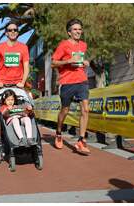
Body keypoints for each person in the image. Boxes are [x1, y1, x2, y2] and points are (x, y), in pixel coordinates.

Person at [51, 18, 90, 154]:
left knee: (85, 109)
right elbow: (53, 63)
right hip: (67, 82)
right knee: (65, 110)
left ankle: (81, 140)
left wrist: (85, 62)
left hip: (82, 81)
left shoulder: (83, 45)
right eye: (75, 29)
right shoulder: (63, 45)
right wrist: (68, 61)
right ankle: (59, 132)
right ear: (69, 32)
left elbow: (80, 60)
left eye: (79, 29)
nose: (78, 31)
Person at [0, 20, 30, 89]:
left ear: (17, 33)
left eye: (15, 30)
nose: (13, 31)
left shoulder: (24, 47)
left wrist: (22, 82)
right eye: (10, 30)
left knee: (27, 99)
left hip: (18, 85)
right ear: (6, 33)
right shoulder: (0, 47)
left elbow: (26, 67)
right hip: (3, 85)